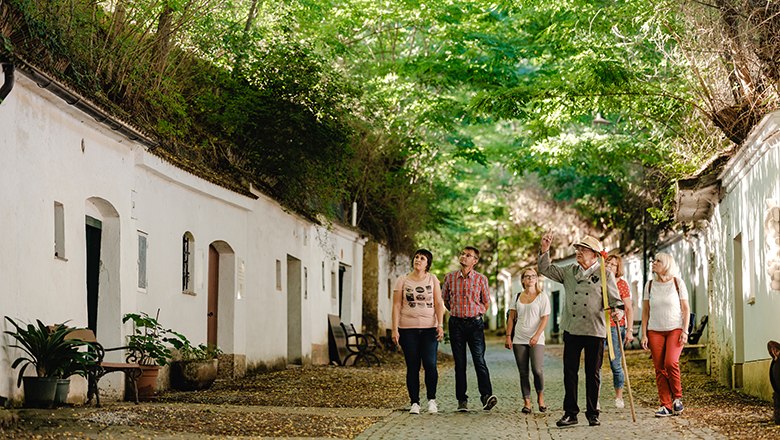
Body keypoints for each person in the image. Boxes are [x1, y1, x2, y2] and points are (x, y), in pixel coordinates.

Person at [538, 232, 623, 427]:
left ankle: (593, 413)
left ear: (594, 254)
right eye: (578, 249)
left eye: (583, 249)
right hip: (572, 329)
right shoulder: (569, 271)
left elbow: (615, 299)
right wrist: (544, 249)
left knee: (593, 374)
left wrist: (618, 311)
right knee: (570, 372)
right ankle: (570, 413)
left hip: (595, 329)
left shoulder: (605, 273)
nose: (578, 252)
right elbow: (545, 269)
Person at [442, 246, 498, 412]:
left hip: (475, 325)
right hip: (456, 324)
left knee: (479, 360)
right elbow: (445, 300)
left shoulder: (481, 279)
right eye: (462, 254)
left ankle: (486, 396)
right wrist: (457, 312)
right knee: (460, 363)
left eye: (468, 255)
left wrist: (476, 313)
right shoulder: (450, 278)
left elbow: (486, 302)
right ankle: (462, 400)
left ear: (475, 261)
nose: (464, 257)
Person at [392, 249, 445, 415]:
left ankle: (432, 400)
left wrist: (440, 325)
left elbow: (438, 303)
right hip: (407, 329)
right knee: (413, 366)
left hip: (430, 329)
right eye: (416, 257)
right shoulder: (402, 280)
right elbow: (396, 305)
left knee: (430, 364)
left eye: (422, 258)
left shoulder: (432, 279)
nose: (418, 260)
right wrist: (394, 329)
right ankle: (414, 402)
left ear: (427, 263)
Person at [640, 252, 690, 418]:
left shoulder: (677, 283)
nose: (654, 263)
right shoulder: (649, 285)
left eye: (658, 261)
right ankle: (666, 405)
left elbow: (686, 309)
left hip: (675, 328)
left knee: (670, 362)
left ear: (667, 264)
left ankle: (677, 398)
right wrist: (644, 334)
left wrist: (685, 330)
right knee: (659, 368)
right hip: (654, 330)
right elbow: (645, 311)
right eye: (654, 260)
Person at [504, 267, 550, 414]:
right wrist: (508, 336)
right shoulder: (517, 297)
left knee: (537, 370)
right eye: (527, 276)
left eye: (533, 276)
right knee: (523, 372)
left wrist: (536, 335)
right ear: (523, 280)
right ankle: (527, 403)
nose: (531, 278)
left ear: (537, 279)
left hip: (537, 339)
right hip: (519, 338)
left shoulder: (542, 296)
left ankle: (540, 398)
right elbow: (511, 318)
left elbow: (545, 319)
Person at [605, 254, 634, 409]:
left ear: (618, 268)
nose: (609, 266)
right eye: (607, 263)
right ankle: (594, 398)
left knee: (615, 364)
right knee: (595, 365)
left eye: (613, 264)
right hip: (599, 326)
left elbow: (628, 308)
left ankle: (619, 397)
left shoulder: (621, 284)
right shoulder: (598, 281)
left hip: (615, 326)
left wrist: (629, 330)